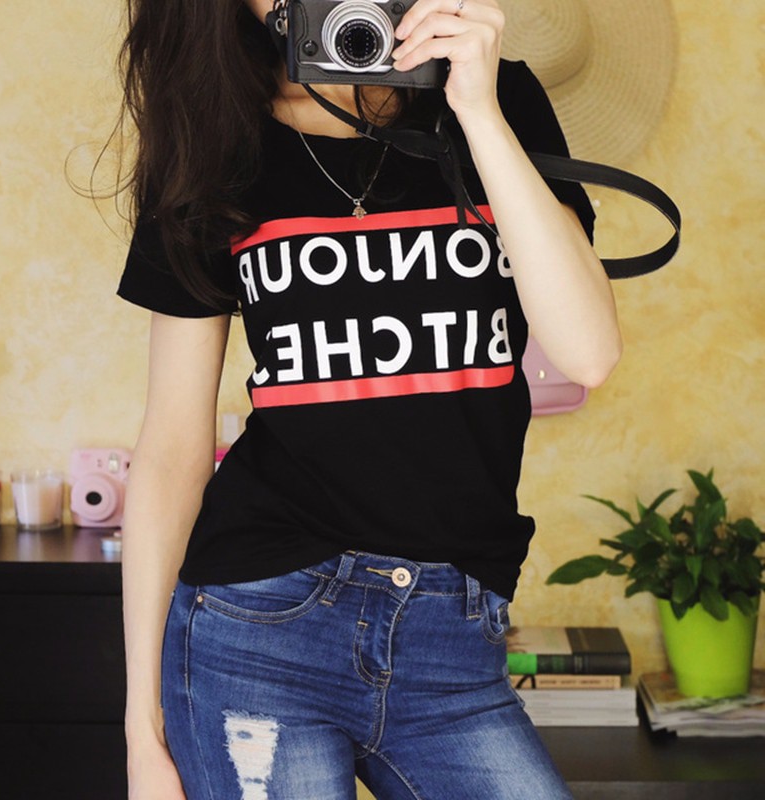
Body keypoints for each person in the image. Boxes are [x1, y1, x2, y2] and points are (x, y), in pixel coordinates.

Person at [117, 0, 622, 798]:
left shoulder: (497, 97)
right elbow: (173, 446)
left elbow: (588, 351)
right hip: (258, 626)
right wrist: (141, 730)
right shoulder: (213, 135)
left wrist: (478, 112)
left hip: (452, 637)